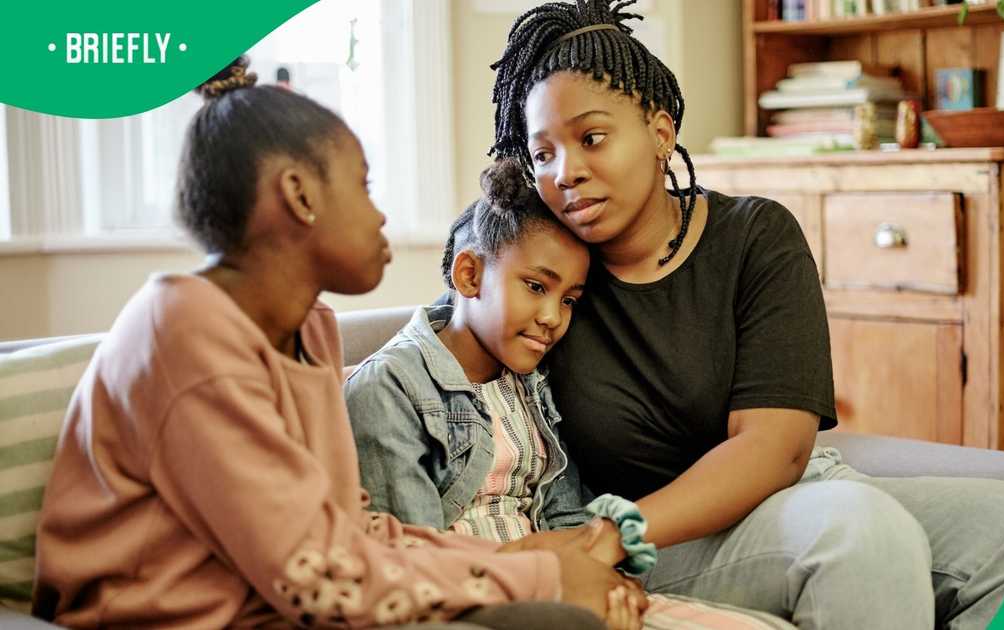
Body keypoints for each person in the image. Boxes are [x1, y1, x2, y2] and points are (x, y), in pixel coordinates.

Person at [482, 2, 1004, 629]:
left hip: (792, 494)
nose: (566, 172)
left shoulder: (754, 234)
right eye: (542, 153)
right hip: (655, 536)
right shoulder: (545, 275)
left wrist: (604, 537)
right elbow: (456, 322)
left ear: (660, 133)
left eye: (592, 138)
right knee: (857, 532)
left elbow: (774, 450)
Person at [31, 57, 618, 629]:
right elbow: (321, 578)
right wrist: (536, 577)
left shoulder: (310, 329)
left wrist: (541, 568)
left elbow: (353, 531)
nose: (380, 216)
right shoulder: (183, 335)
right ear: (299, 195)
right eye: (363, 187)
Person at [345, 159, 793, 630]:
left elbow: (565, 513)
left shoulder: (529, 382)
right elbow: (413, 558)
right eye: (536, 287)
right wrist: (556, 583)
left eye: (569, 300)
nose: (552, 318)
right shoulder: (389, 389)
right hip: (491, 601)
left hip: (566, 586)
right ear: (470, 276)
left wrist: (606, 579)